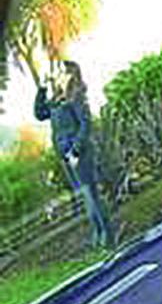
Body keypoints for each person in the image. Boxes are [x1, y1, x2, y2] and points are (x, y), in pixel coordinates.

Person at [33, 59, 115, 249]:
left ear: (70, 74)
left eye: (61, 72)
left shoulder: (77, 96)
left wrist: (76, 151)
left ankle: (107, 236)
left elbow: (85, 125)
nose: (56, 75)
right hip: (65, 154)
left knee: (91, 194)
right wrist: (42, 88)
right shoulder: (56, 100)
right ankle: (98, 235)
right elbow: (39, 113)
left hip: (79, 153)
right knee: (85, 195)